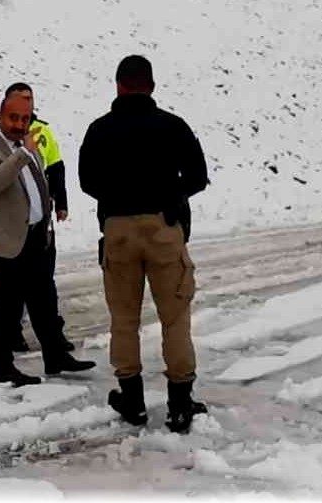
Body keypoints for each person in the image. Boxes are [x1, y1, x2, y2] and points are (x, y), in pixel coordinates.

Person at [78, 55, 210, 433]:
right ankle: (180, 405)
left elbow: (88, 181)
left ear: (118, 85)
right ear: (151, 86)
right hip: (164, 227)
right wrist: (171, 193)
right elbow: (198, 176)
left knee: (124, 320)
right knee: (174, 318)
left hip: (118, 230)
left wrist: (119, 196)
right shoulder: (173, 126)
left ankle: (132, 401)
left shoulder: (99, 130)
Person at [0, 92, 96, 387]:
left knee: (44, 300)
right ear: (0, 116)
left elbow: (39, 183)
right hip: (9, 241)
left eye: (25, 118)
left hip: (36, 236)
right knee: (10, 306)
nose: (19, 124)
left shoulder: (26, 144)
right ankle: (0, 367)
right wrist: (23, 155)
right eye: (13, 118)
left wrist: (48, 219)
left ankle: (55, 356)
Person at [0, 82, 75, 353]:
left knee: (45, 283)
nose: (25, 105)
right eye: (20, 99)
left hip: (40, 220)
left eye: (29, 99)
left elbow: (55, 168)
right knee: (14, 286)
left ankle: (53, 338)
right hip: (14, 223)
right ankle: (14, 334)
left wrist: (61, 202)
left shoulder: (43, 132)